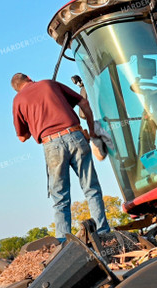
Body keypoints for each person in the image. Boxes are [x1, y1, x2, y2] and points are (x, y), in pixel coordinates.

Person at [11, 73, 110, 239]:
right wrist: (92, 130)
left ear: (16, 90)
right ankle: (102, 233)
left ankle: (64, 242)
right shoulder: (49, 84)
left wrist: (33, 122)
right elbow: (83, 103)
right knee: (91, 188)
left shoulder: (18, 101)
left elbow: (22, 137)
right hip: (75, 135)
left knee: (60, 197)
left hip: (52, 145)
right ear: (28, 77)